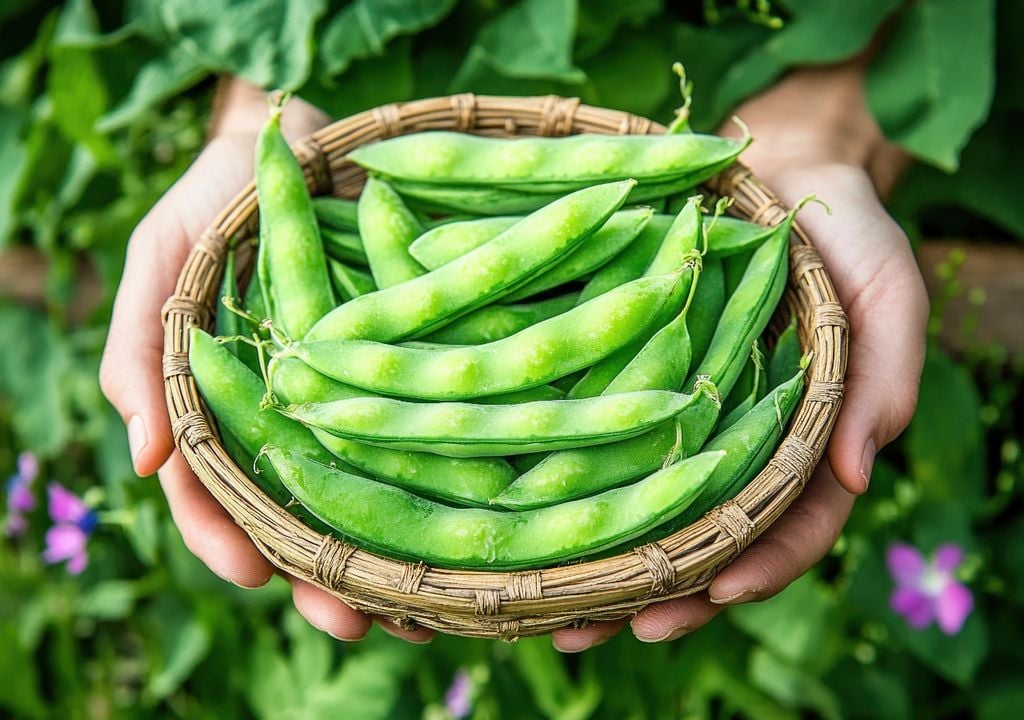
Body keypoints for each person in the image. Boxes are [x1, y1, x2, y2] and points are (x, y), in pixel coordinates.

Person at [99, 58, 928, 650]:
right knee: (440, 321)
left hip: (736, 58)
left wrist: (830, 121)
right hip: (377, 65)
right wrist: (256, 112)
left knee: (489, 307)